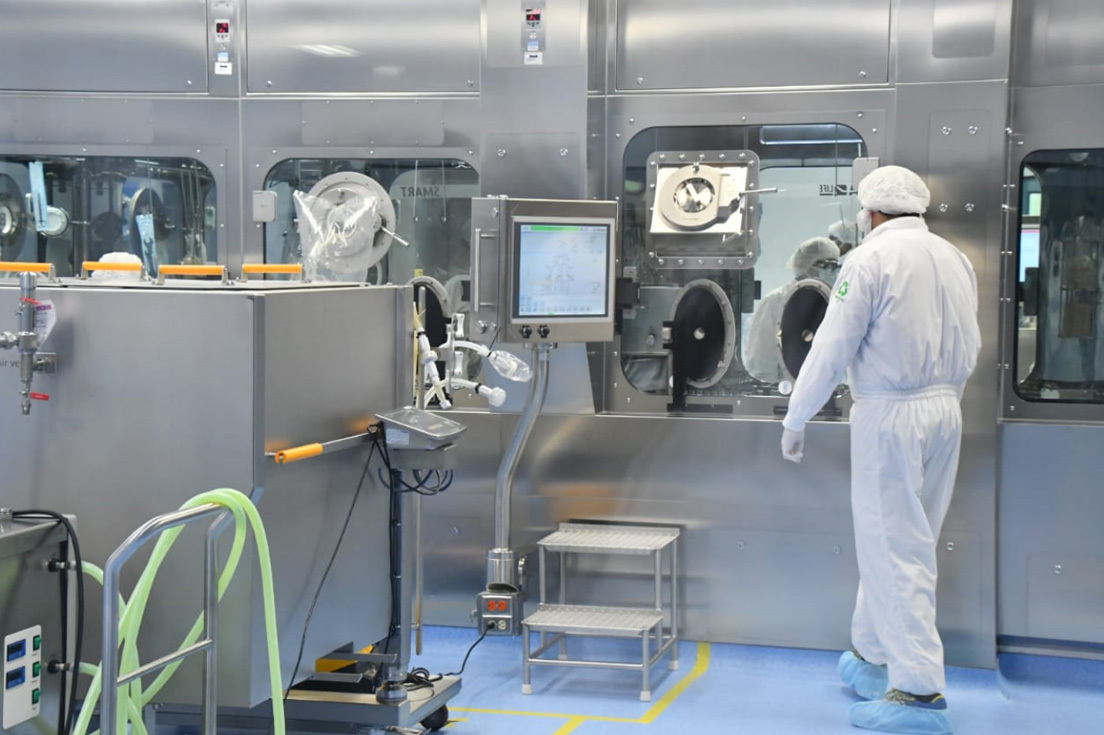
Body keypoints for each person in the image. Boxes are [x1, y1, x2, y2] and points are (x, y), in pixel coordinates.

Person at [779, 166, 981, 734]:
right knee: (903, 542)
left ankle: (917, 692)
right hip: (946, 411)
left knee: (893, 550)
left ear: (870, 214)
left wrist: (797, 416)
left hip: (891, 415)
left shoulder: (869, 259)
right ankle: (873, 657)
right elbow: (969, 341)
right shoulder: (953, 257)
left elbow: (831, 346)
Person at [744, 237, 840, 383]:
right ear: (808, 266)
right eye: (827, 265)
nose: (832, 272)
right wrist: (775, 389)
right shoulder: (776, 301)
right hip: (784, 387)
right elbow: (760, 359)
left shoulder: (832, 300)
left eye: (835, 266)